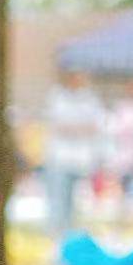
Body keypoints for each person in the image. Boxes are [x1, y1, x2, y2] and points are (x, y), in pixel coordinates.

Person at [42, 68, 105, 238]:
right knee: (58, 201)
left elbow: (96, 126)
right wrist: (79, 127)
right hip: (59, 158)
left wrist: (74, 128)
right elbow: (58, 125)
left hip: (82, 159)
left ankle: (72, 237)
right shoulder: (58, 97)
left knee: (78, 203)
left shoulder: (90, 99)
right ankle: (56, 236)